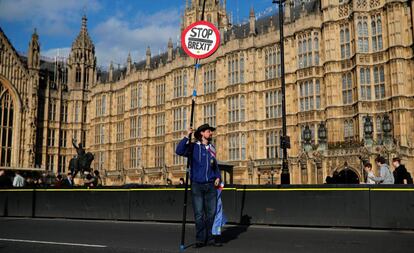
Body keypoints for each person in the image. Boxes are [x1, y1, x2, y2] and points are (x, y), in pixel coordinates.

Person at [176, 123, 221, 248]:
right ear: (202, 133)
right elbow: (179, 150)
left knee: (211, 213)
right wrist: (186, 136)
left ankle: (211, 238)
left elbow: (215, 165)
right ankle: (201, 239)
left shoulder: (212, 148)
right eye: (208, 131)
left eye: (211, 131)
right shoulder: (193, 147)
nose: (211, 133)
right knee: (199, 214)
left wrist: (218, 176)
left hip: (211, 185)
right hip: (197, 185)